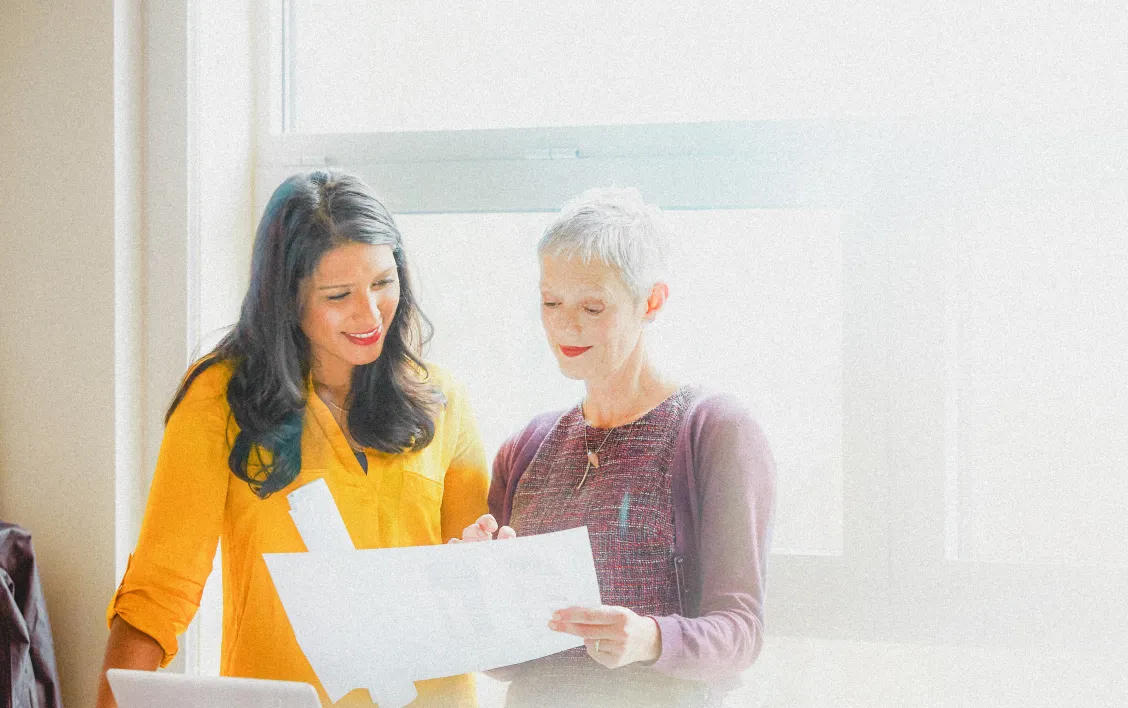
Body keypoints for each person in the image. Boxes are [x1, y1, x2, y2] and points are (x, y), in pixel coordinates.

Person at [96, 171, 490, 708]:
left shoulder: (442, 398)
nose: (370, 313)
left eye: (382, 281)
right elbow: (158, 593)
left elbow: (471, 584)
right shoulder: (220, 399)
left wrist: (494, 567)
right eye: (338, 295)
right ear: (287, 298)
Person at [465, 188, 777, 708]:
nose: (566, 324)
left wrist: (651, 638)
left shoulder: (715, 432)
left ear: (650, 301)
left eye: (592, 306)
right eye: (550, 302)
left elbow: (741, 630)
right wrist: (478, 584)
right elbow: (503, 659)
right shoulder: (525, 449)